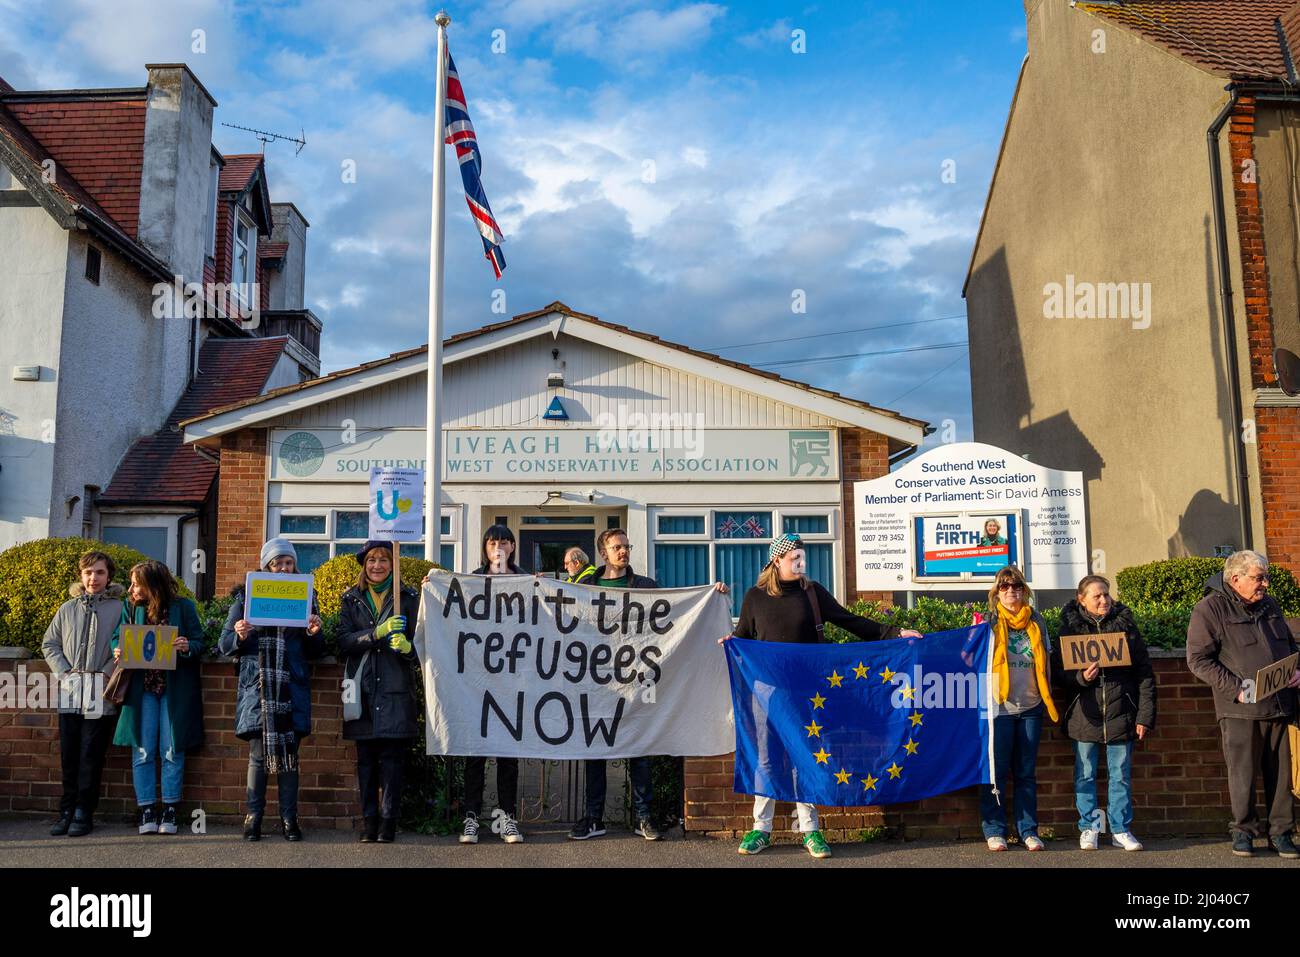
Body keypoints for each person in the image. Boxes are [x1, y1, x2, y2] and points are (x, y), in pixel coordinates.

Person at [721, 532, 923, 860]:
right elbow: (743, 636)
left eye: (802, 557)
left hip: (806, 692)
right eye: (794, 558)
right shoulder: (755, 597)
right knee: (766, 758)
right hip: (767, 692)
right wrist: (729, 642)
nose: (801, 563)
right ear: (777, 561)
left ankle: (810, 830)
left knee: (807, 757)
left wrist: (895, 633)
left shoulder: (813, 594)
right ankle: (762, 828)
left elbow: (850, 621)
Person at [567, 527, 729, 843]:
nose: (623, 551)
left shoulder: (645, 587)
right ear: (604, 552)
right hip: (599, 684)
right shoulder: (586, 585)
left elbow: (673, 616)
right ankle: (593, 818)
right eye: (617, 547)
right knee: (595, 750)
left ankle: (644, 816)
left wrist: (712, 595)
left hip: (637, 681)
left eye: (627, 546)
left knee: (640, 749)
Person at [1187, 549, 1300, 859]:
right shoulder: (1209, 609)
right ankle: (1243, 832)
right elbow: (1198, 659)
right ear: (1235, 579)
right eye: (1258, 578)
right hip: (1240, 708)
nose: (1264, 584)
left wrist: (1296, 671)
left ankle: (1282, 833)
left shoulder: (1270, 605)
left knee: (1282, 774)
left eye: (1266, 577)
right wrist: (1235, 689)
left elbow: (1290, 647)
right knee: (1243, 773)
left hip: (1280, 703)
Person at [218, 538, 324, 842]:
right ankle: (254, 818)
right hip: (259, 687)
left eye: (288, 563)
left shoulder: (307, 597)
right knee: (258, 756)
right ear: (266, 566)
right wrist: (239, 635)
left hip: (291, 685)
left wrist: (314, 632)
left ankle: (289, 820)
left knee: (290, 757)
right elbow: (224, 645)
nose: (284, 568)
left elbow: (317, 649)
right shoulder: (245, 598)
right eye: (277, 563)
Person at [1051, 575, 1155, 852]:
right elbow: (1058, 676)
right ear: (1081, 599)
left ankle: (1121, 829)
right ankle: (1088, 828)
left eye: (1106, 594)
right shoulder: (1068, 632)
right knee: (1084, 774)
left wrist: (1145, 716)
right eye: (1096, 596)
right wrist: (1082, 678)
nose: (1103, 600)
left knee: (1120, 775)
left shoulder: (1127, 629)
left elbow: (1145, 675)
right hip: (1084, 716)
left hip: (1122, 713)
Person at [110, 561, 206, 836]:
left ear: (152, 584)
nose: (130, 589)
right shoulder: (131, 608)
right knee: (142, 749)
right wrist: (118, 649)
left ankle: (171, 809)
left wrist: (187, 646)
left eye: (135, 584)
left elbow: (200, 642)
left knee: (171, 749)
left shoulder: (183, 607)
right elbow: (117, 637)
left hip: (173, 690)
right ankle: (147, 808)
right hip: (143, 691)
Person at [337, 540, 420, 844]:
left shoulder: (410, 597)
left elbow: (426, 643)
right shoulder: (351, 598)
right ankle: (368, 821)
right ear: (364, 564)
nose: (377, 565)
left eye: (383, 560)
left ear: (393, 564)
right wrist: (376, 634)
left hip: (396, 689)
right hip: (362, 690)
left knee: (393, 763)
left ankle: (388, 823)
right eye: (371, 560)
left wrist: (410, 649)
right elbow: (343, 641)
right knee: (366, 763)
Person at [975, 564, 1059, 852]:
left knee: (1025, 773)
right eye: (1004, 586)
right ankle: (994, 829)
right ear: (996, 593)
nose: (1011, 591)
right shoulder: (987, 621)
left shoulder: (1037, 621)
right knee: (994, 772)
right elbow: (968, 658)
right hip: (998, 708)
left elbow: (1046, 659)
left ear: (1025, 590)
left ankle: (1028, 830)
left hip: (1032, 706)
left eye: (1016, 586)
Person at [41, 550, 125, 837]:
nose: (94, 578)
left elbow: (123, 647)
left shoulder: (118, 608)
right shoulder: (67, 608)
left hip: (100, 691)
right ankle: (65, 810)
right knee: (70, 754)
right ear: (81, 575)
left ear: (108, 576)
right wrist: (65, 673)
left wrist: (104, 673)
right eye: (89, 572)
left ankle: (83, 812)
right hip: (70, 690)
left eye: (100, 572)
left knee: (91, 753)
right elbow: (50, 644)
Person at [458, 524, 525, 845]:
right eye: (492, 542)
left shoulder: (526, 581)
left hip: (512, 679)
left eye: (503, 542)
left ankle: (507, 818)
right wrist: (435, 586)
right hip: (478, 680)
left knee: (507, 753)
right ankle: (471, 817)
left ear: (512, 547)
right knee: (476, 752)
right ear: (485, 548)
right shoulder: (472, 581)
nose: (497, 547)